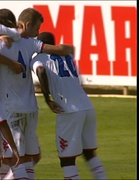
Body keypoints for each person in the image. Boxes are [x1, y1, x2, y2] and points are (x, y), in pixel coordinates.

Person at [0, 8, 75, 180]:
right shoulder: (30, 43)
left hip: (10, 108)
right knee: (29, 158)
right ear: (27, 25)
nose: (38, 33)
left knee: (16, 158)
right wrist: (70, 48)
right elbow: (60, 49)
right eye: (37, 28)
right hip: (30, 108)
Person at [31, 31, 107, 180]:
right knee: (89, 153)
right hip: (87, 106)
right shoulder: (68, 56)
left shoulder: (38, 58)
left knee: (67, 159)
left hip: (69, 110)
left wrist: (48, 99)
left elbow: (40, 71)